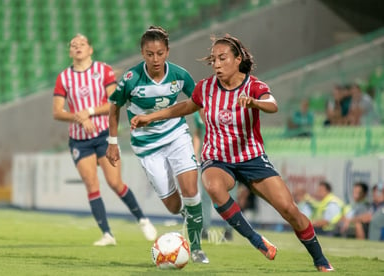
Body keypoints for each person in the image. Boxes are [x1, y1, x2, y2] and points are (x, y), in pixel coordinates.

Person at [130, 34, 334, 272]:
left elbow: (272, 103)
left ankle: (320, 260)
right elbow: (185, 106)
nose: (216, 64)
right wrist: (150, 117)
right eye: (213, 60)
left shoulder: (253, 86)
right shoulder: (205, 88)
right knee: (213, 187)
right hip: (217, 159)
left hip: (252, 158)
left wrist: (254, 103)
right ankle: (256, 240)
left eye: (222, 58)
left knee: (290, 210)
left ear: (237, 60)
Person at [106, 26, 209, 264]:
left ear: (167, 52)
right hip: (147, 147)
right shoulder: (131, 79)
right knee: (173, 207)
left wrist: (206, 129)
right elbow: (114, 107)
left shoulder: (180, 75)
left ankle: (196, 248)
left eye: (160, 53)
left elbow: (198, 102)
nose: (155, 59)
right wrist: (113, 142)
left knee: (191, 191)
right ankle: (190, 216)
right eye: (150, 54)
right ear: (142, 53)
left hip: (176, 136)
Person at [52, 33, 157, 246]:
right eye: (73, 45)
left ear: (90, 49)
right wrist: (79, 117)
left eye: (82, 43)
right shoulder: (64, 77)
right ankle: (107, 234)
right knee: (91, 184)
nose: (77, 46)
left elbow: (113, 102)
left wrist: (88, 112)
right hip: (79, 140)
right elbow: (57, 112)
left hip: (103, 136)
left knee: (115, 182)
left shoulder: (103, 71)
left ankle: (142, 219)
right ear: (70, 52)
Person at [192, 110, 235, 241]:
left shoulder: (227, 109)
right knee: (205, 195)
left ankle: (230, 229)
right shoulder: (197, 112)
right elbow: (198, 133)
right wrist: (194, 154)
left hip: (229, 158)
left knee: (230, 195)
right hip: (208, 159)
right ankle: (204, 229)